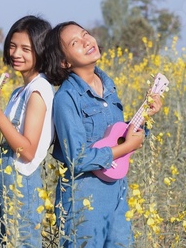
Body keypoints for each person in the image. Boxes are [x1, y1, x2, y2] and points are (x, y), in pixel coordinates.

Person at [41, 21, 163, 248]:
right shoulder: (67, 98)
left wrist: (145, 116)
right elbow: (77, 158)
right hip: (84, 198)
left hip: (117, 192)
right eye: (75, 42)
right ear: (64, 62)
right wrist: (125, 148)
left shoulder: (109, 86)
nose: (87, 41)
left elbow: (118, 134)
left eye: (85, 34)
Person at [0, 15, 54, 247]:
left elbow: (26, 151)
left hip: (23, 186)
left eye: (26, 49)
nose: (16, 54)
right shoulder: (19, 92)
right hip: (4, 183)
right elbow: (5, 151)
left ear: (42, 51)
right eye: (13, 46)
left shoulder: (39, 90)